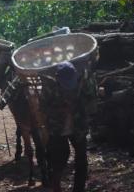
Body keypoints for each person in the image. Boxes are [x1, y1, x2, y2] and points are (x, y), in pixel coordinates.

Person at [42, 61, 97, 192]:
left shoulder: (83, 83)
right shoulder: (49, 86)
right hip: (57, 128)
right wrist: (60, 109)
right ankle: (56, 187)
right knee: (58, 159)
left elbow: (91, 101)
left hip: (78, 127)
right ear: (57, 77)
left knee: (81, 160)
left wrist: (80, 106)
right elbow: (43, 108)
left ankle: (79, 189)